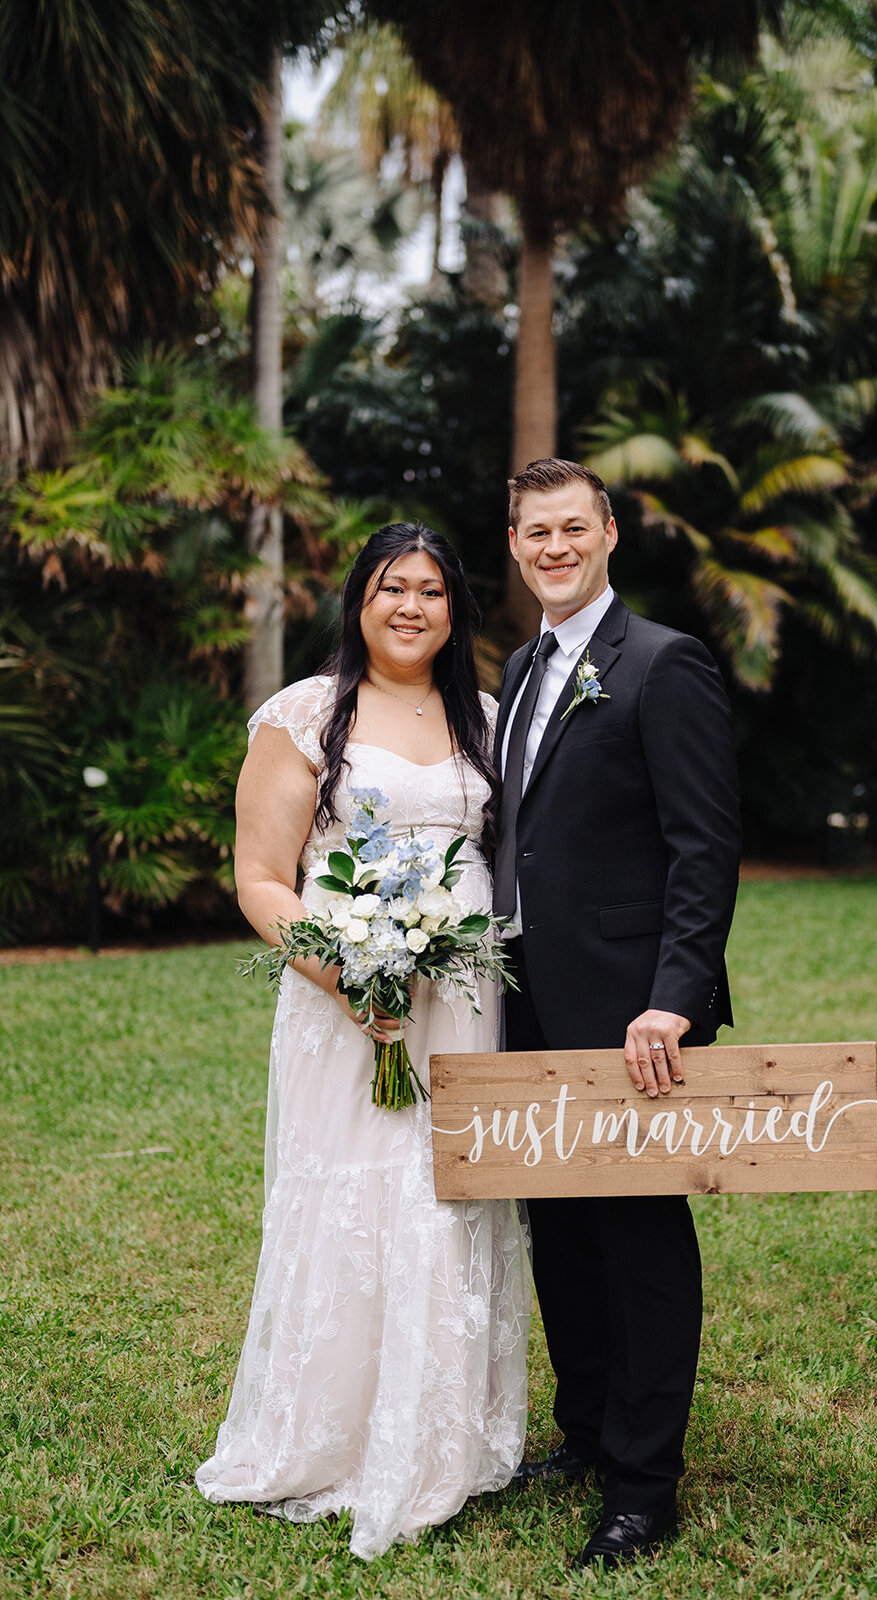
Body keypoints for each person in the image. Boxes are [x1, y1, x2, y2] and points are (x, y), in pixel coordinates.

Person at [196, 523, 529, 1560]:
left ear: (453, 607)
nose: (412, 606)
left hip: (466, 994)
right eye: (393, 587)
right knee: (356, 1186)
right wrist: (347, 972)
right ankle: (331, 1431)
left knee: (448, 1190)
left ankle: (445, 1437)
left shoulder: (486, 716)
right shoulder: (306, 715)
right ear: (359, 599)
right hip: (347, 998)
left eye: (432, 590)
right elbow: (261, 875)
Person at [495, 459, 742, 1569]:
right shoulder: (518, 665)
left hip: (636, 1019)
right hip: (528, 1010)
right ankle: (589, 1434)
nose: (553, 546)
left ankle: (645, 1487)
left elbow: (704, 846)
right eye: (533, 531)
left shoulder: (662, 662)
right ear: (515, 546)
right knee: (562, 1236)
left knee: (640, 1239)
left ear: (606, 534)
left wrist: (673, 1000)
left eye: (570, 527)